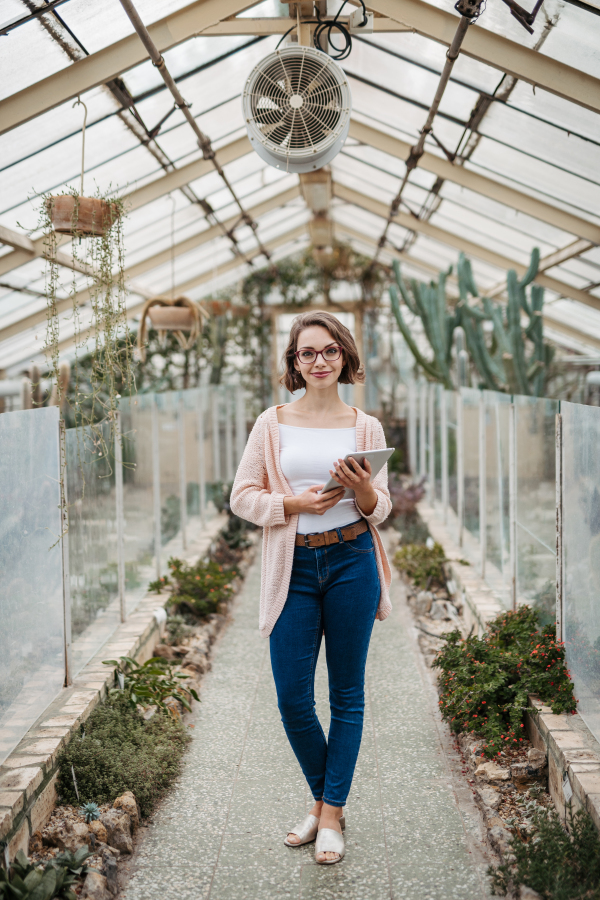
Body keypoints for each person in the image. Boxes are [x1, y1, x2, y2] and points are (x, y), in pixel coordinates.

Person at [230, 310, 392, 865]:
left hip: (352, 560)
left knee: (346, 694)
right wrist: (292, 504)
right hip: (292, 568)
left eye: (328, 351)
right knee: (293, 697)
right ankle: (329, 805)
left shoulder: (365, 427)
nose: (319, 361)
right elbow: (243, 496)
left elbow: (382, 508)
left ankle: (330, 812)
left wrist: (365, 491)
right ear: (294, 363)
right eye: (307, 353)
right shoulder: (271, 423)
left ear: (344, 355)